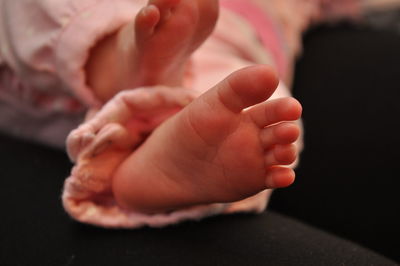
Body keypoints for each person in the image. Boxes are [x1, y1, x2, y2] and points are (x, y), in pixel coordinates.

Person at [0, 0, 398, 228]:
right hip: (94, 32)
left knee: (256, 111)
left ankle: (156, 163)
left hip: (221, 44)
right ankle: (122, 60)